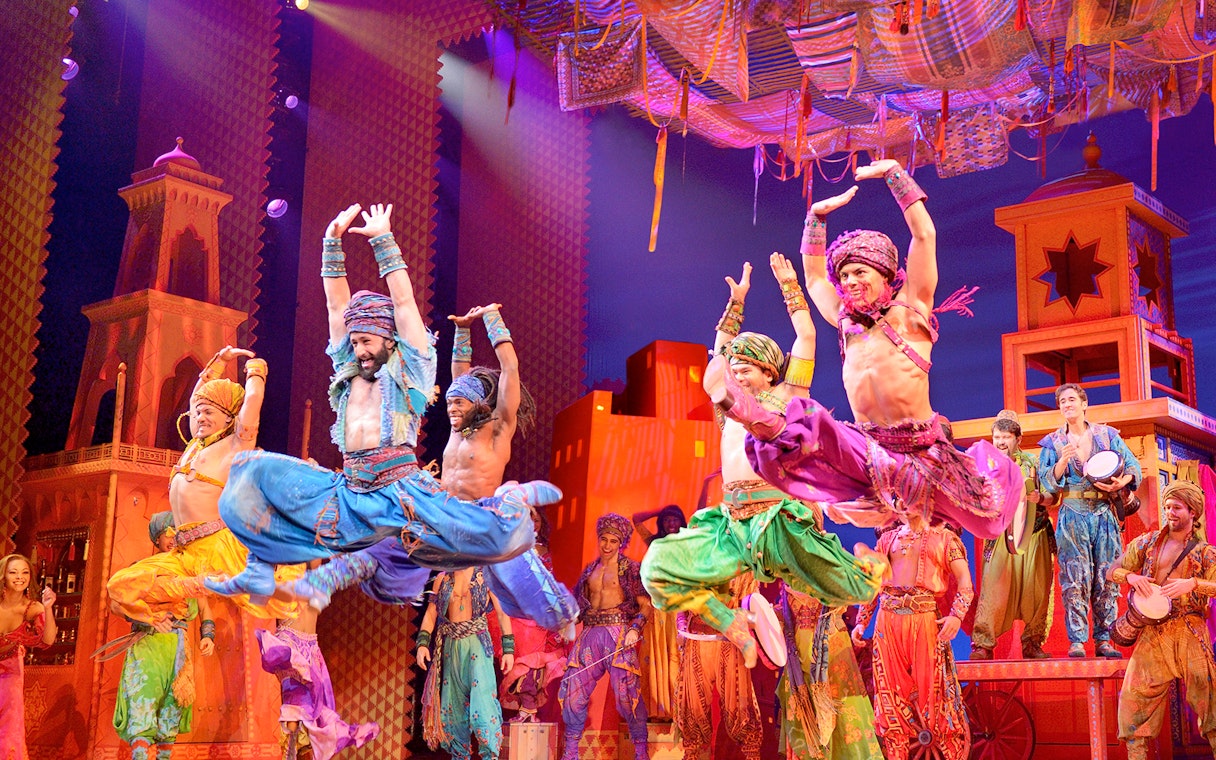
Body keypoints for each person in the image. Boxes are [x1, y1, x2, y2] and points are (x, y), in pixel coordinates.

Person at [206, 204, 562, 607]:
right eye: (354, 342)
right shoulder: (348, 369)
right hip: (351, 484)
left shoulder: (410, 374)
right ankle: (260, 566)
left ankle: (523, 525)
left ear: (389, 340)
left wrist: (382, 240)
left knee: (494, 542)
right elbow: (336, 309)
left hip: (399, 487)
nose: (358, 350)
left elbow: (406, 306)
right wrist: (331, 243)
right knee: (249, 471)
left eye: (366, 342)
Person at [714, 161, 1021, 540]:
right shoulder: (846, 323)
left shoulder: (911, 312)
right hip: (867, 447)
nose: (849, 281)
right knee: (809, 426)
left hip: (919, 449)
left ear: (886, 275)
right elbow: (812, 277)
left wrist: (895, 175)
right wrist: (815, 217)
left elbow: (924, 236)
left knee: (988, 518)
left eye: (860, 272)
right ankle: (757, 419)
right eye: (843, 275)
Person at [643, 254, 884, 668]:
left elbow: (806, 336)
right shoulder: (728, 407)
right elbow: (717, 358)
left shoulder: (788, 396)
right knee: (658, 570)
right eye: (734, 367)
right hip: (733, 525)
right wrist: (735, 304)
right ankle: (730, 620)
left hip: (778, 520)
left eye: (746, 367)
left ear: (770, 372)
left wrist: (792, 288)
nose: (735, 372)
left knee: (852, 589)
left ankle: (872, 563)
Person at [106, 345, 298, 627]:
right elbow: (196, 397)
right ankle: (199, 587)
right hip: (184, 552)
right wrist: (218, 362)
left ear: (229, 419)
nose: (200, 418)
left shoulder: (234, 445)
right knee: (120, 586)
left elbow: (253, 401)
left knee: (276, 597)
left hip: (217, 549)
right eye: (198, 414)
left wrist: (256, 370)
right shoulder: (195, 445)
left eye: (208, 412)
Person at [851, 513, 973, 760]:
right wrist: (861, 623)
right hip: (887, 624)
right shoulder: (887, 540)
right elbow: (873, 585)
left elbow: (965, 583)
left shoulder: (945, 539)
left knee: (935, 696)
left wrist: (956, 616)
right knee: (889, 698)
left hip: (925, 622)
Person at [1108, 480, 1216, 759]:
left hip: (1189, 630)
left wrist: (1192, 583)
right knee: (1134, 701)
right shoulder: (1146, 543)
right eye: (1167, 506)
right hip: (1154, 633)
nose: (1170, 512)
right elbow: (1112, 570)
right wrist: (1131, 577)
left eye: (1177, 507)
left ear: (1193, 512)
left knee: (1209, 699)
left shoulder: (1205, 553)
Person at [1039, 383, 1141, 658]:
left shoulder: (1106, 435)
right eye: (1062, 402)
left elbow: (1133, 466)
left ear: (1084, 404)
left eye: (1072, 399)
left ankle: (1104, 638)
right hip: (1072, 513)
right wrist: (1061, 463)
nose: (1067, 405)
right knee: (1074, 577)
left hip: (1103, 512)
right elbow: (1046, 483)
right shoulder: (1052, 443)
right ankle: (1077, 640)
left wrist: (1123, 481)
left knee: (1107, 576)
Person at [113, 513, 215, 760]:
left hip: (178, 645)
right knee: (143, 703)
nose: (171, 538)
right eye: (165, 533)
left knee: (172, 706)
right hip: (148, 643)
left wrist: (208, 635)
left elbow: (203, 607)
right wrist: (147, 618)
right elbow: (116, 603)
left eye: (176, 532)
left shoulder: (187, 568)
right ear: (156, 538)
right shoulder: (144, 568)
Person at [258, 561, 379, 760]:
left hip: (311, 647)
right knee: (297, 713)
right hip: (291, 644)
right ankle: (293, 752)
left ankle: (299, 752)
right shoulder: (284, 568)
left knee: (316, 717)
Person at [559, 514, 652, 760]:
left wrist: (635, 628)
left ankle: (641, 753)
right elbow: (578, 608)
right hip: (590, 634)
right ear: (598, 539)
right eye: (604, 540)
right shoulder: (590, 570)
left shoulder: (630, 568)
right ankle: (570, 753)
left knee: (627, 695)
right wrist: (565, 622)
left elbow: (645, 604)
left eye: (613, 541)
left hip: (619, 633)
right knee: (573, 690)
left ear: (621, 543)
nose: (608, 546)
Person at [971, 410, 1057, 660]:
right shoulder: (983, 465)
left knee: (1037, 589)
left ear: (1018, 438)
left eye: (1006, 436)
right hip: (1000, 534)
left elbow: (1054, 496)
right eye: (997, 436)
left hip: (1034, 531)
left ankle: (1032, 643)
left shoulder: (1034, 463)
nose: (1001, 442)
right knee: (994, 587)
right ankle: (983, 644)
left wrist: (1039, 498)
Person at [417, 567, 513, 760]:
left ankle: (489, 756)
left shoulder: (486, 576)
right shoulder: (442, 579)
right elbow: (431, 613)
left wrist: (508, 649)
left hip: (477, 643)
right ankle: (459, 755)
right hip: (451, 647)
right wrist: (422, 644)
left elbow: (502, 613)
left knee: (483, 705)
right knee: (454, 708)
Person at [779, 585, 883, 758]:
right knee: (805, 725)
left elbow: (860, 591)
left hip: (832, 654)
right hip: (797, 656)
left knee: (844, 720)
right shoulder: (787, 572)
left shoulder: (828, 568)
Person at [674, 573, 762, 760]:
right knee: (693, 706)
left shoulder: (745, 569)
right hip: (696, 640)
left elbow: (754, 611)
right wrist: (681, 627)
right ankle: (692, 754)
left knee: (740, 706)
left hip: (729, 642)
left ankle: (751, 755)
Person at [499, 508, 570, 724]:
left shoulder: (542, 549)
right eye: (528, 520)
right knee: (518, 661)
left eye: (537, 520)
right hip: (517, 612)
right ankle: (524, 708)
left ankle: (529, 710)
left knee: (533, 663)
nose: (533, 524)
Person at [631, 504, 686, 722]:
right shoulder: (654, 543)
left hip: (678, 608)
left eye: (675, 519)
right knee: (655, 657)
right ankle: (656, 710)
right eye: (667, 520)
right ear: (661, 524)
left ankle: (678, 711)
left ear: (682, 522)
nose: (671, 524)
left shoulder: (687, 542)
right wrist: (661, 510)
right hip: (656, 608)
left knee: (676, 656)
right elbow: (636, 518)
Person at [0, 553, 57, 760]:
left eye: (24, 572)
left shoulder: (32, 607)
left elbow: (48, 640)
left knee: (9, 727)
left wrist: (48, 608)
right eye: (13, 572)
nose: (19, 577)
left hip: (10, 669)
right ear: (3, 575)